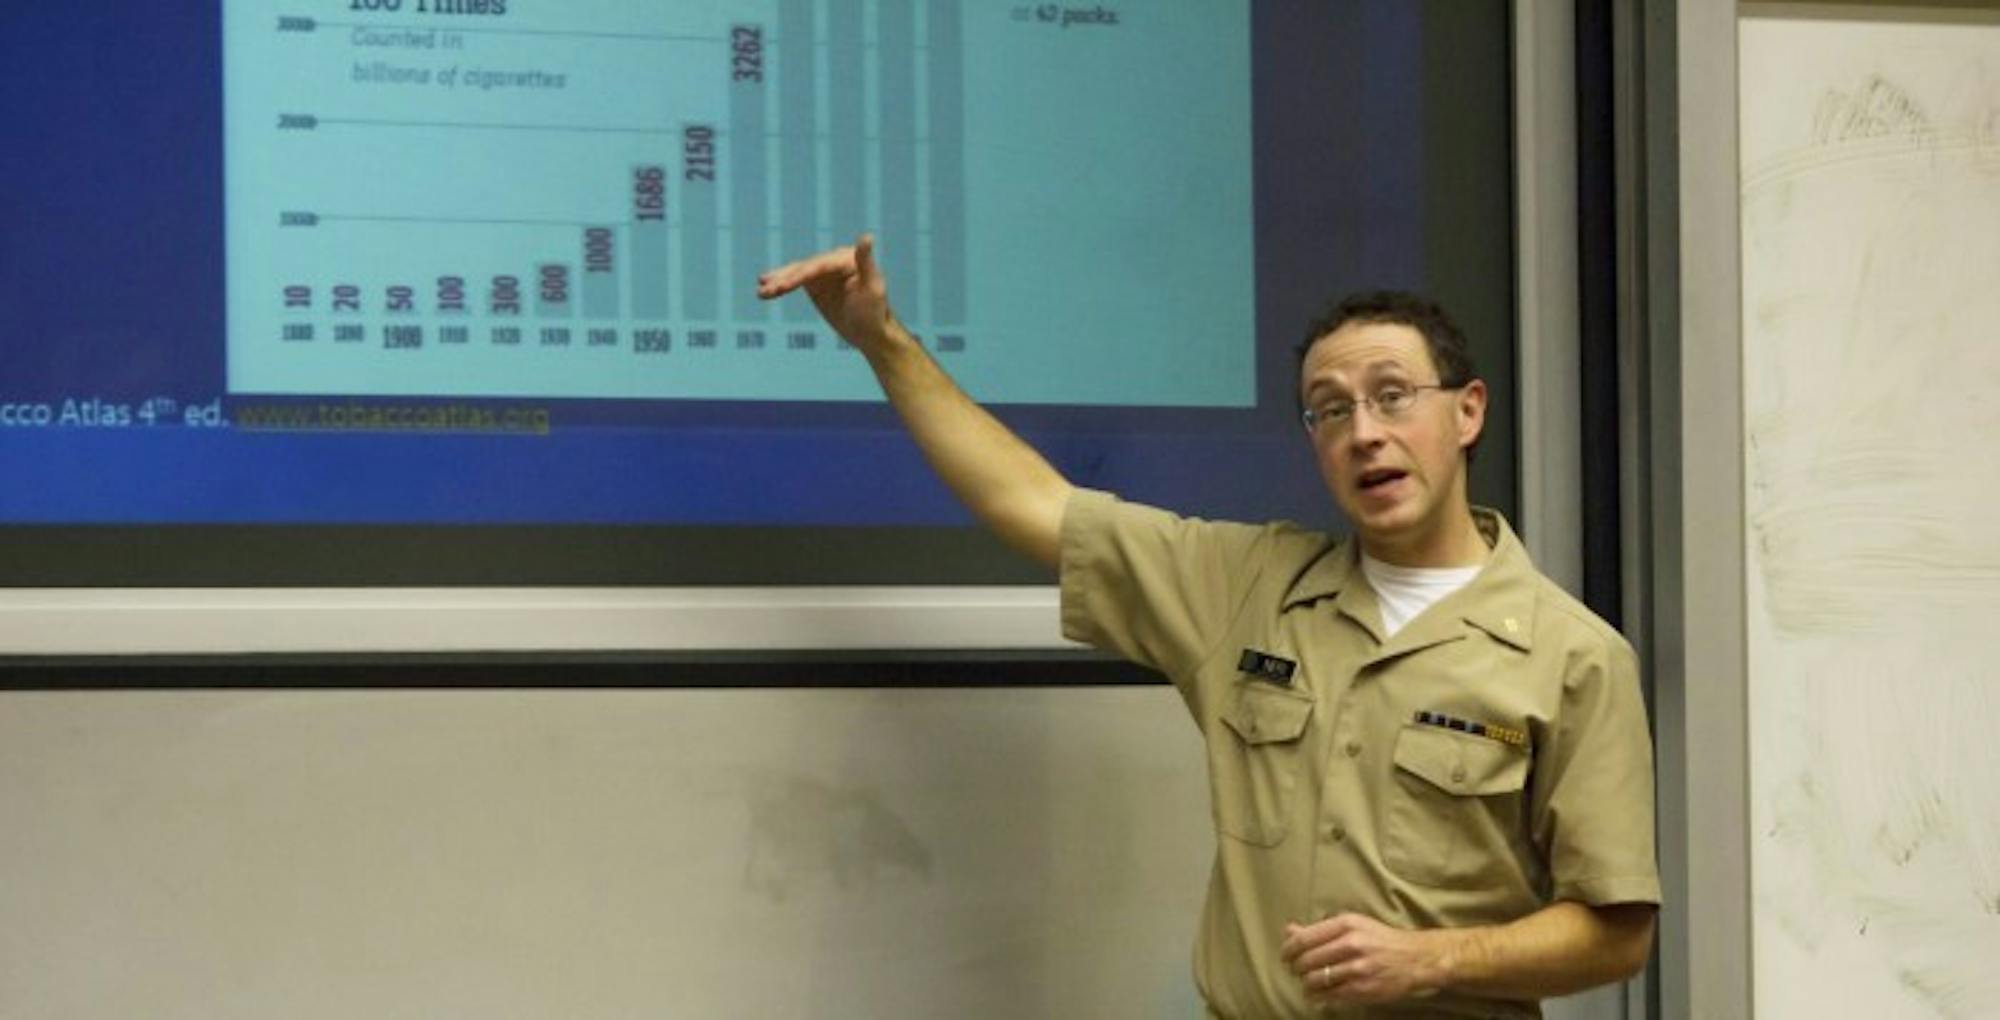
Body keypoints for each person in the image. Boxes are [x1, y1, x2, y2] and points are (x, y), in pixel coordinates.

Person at [758, 236, 1660, 1019]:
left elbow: (1617, 934)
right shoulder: (1247, 586)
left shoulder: (1572, 655)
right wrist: (880, 340)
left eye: (1393, 396)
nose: (1365, 432)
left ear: (1467, 412)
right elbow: (1032, 502)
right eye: (1331, 409)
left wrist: (1436, 959)